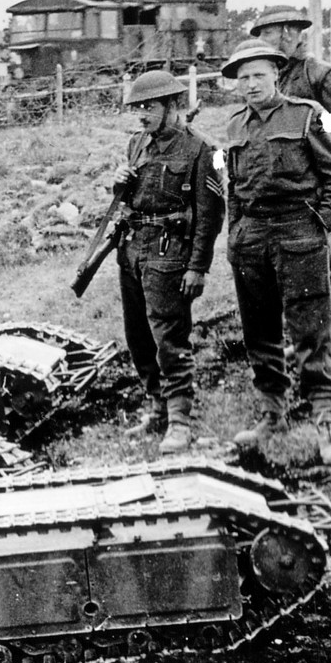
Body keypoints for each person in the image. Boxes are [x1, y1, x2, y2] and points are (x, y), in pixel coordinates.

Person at [220, 39, 331, 465]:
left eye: (259, 75)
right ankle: (271, 414)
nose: (251, 84)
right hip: (251, 238)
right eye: (243, 78)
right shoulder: (234, 126)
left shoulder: (309, 114)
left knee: (311, 331)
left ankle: (327, 421)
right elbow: (232, 184)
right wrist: (235, 233)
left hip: (298, 232)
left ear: (276, 74)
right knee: (259, 333)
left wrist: (321, 223)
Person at [114, 70, 226, 453]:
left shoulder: (203, 149)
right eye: (138, 108)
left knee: (169, 338)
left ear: (172, 106)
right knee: (138, 337)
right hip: (132, 250)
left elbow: (210, 215)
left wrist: (198, 267)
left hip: (170, 254)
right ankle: (157, 406)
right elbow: (129, 198)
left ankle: (180, 420)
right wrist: (119, 182)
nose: (141, 115)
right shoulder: (137, 144)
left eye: (149, 107)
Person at [251, 6, 331, 359]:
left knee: (318, 259)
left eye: (266, 34)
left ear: (288, 32)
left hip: (314, 185)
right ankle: (311, 336)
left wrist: (313, 147)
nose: (261, 42)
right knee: (298, 262)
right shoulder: (276, 77)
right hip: (286, 188)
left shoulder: (324, 75)